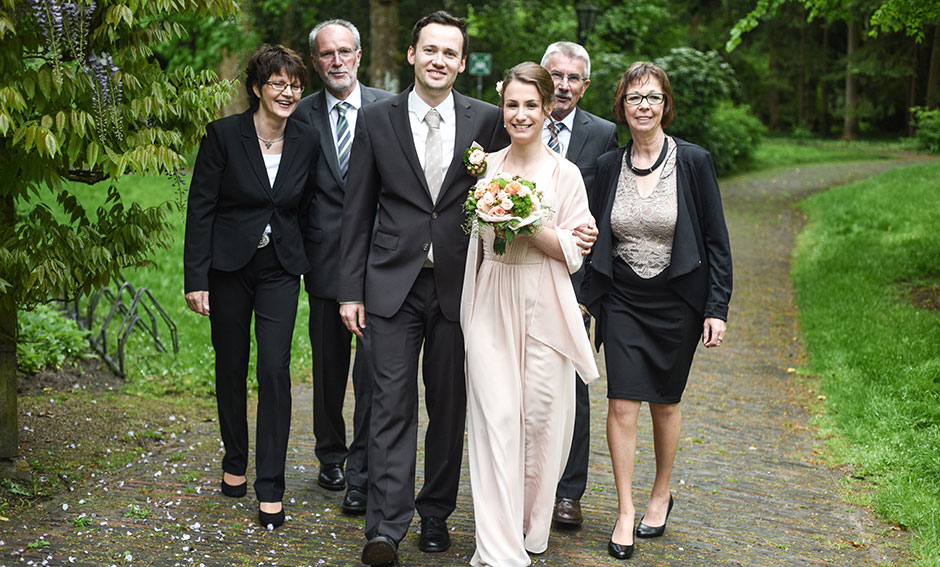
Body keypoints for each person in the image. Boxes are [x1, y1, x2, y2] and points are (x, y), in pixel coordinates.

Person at [337, 11, 509, 566]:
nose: (439, 60)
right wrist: (350, 290)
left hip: (461, 288)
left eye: (450, 53)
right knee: (388, 404)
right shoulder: (376, 118)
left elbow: (515, 183)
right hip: (391, 284)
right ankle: (385, 528)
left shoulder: (486, 121)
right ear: (412, 55)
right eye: (429, 49)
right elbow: (357, 209)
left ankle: (435, 513)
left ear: (462, 63)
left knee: (449, 405)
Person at [581, 62, 732, 559]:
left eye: (652, 98)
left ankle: (660, 493)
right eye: (633, 98)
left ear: (666, 104)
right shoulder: (606, 167)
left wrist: (717, 307)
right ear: (621, 108)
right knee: (622, 401)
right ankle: (625, 511)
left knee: (665, 402)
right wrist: (584, 298)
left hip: (677, 303)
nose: (643, 106)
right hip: (623, 299)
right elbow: (590, 237)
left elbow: (715, 240)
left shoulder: (693, 161)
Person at [460, 62, 600, 567]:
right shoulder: (485, 167)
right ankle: (497, 549)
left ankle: (526, 529)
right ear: (503, 107)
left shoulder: (566, 174)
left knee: (542, 426)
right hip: (492, 302)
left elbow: (574, 251)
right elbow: (476, 242)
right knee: (495, 421)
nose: (521, 115)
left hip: (545, 305)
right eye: (512, 105)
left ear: (547, 109)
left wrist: (522, 220)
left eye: (530, 106)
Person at [183, 44, 318, 529]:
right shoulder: (222, 135)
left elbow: (305, 207)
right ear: (258, 89)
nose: (288, 92)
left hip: (281, 266)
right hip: (228, 268)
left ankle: (271, 486)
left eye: (295, 84)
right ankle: (235, 461)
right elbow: (201, 207)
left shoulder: (307, 138)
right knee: (231, 365)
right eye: (278, 84)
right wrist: (195, 278)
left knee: (275, 368)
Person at [294, 18, 392, 516]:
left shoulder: (387, 109)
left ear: (359, 54)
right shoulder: (300, 115)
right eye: (327, 54)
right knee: (329, 369)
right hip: (325, 260)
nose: (337, 61)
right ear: (316, 61)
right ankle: (330, 454)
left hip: (382, 262)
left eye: (345, 52)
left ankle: (365, 462)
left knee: (375, 372)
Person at [539, 41, 619, 529]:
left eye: (573, 78)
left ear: (585, 86)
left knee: (572, 386)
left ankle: (569, 492)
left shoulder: (604, 135)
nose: (564, 85)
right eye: (556, 75)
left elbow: (607, 219)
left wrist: (590, 294)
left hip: (575, 282)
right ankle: (529, 483)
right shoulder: (515, 121)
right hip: (521, 270)